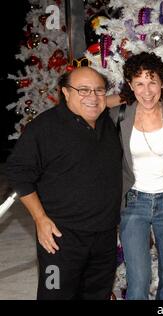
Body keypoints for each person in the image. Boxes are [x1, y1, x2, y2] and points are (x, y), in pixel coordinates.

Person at [6, 67, 123, 299]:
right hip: (60, 240)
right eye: (83, 90)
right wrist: (40, 219)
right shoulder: (45, 128)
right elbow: (17, 171)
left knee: (96, 295)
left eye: (99, 90)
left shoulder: (106, 122)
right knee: (55, 294)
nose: (92, 96)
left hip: (104, 238)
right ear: (65, 93)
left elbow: (132, 95)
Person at [109, 52, 163, 300]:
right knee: (138, 279)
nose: (147, 90)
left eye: (152, 81)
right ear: (130, 86)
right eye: (139, 83)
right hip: (134, 202)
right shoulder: (120, 115)